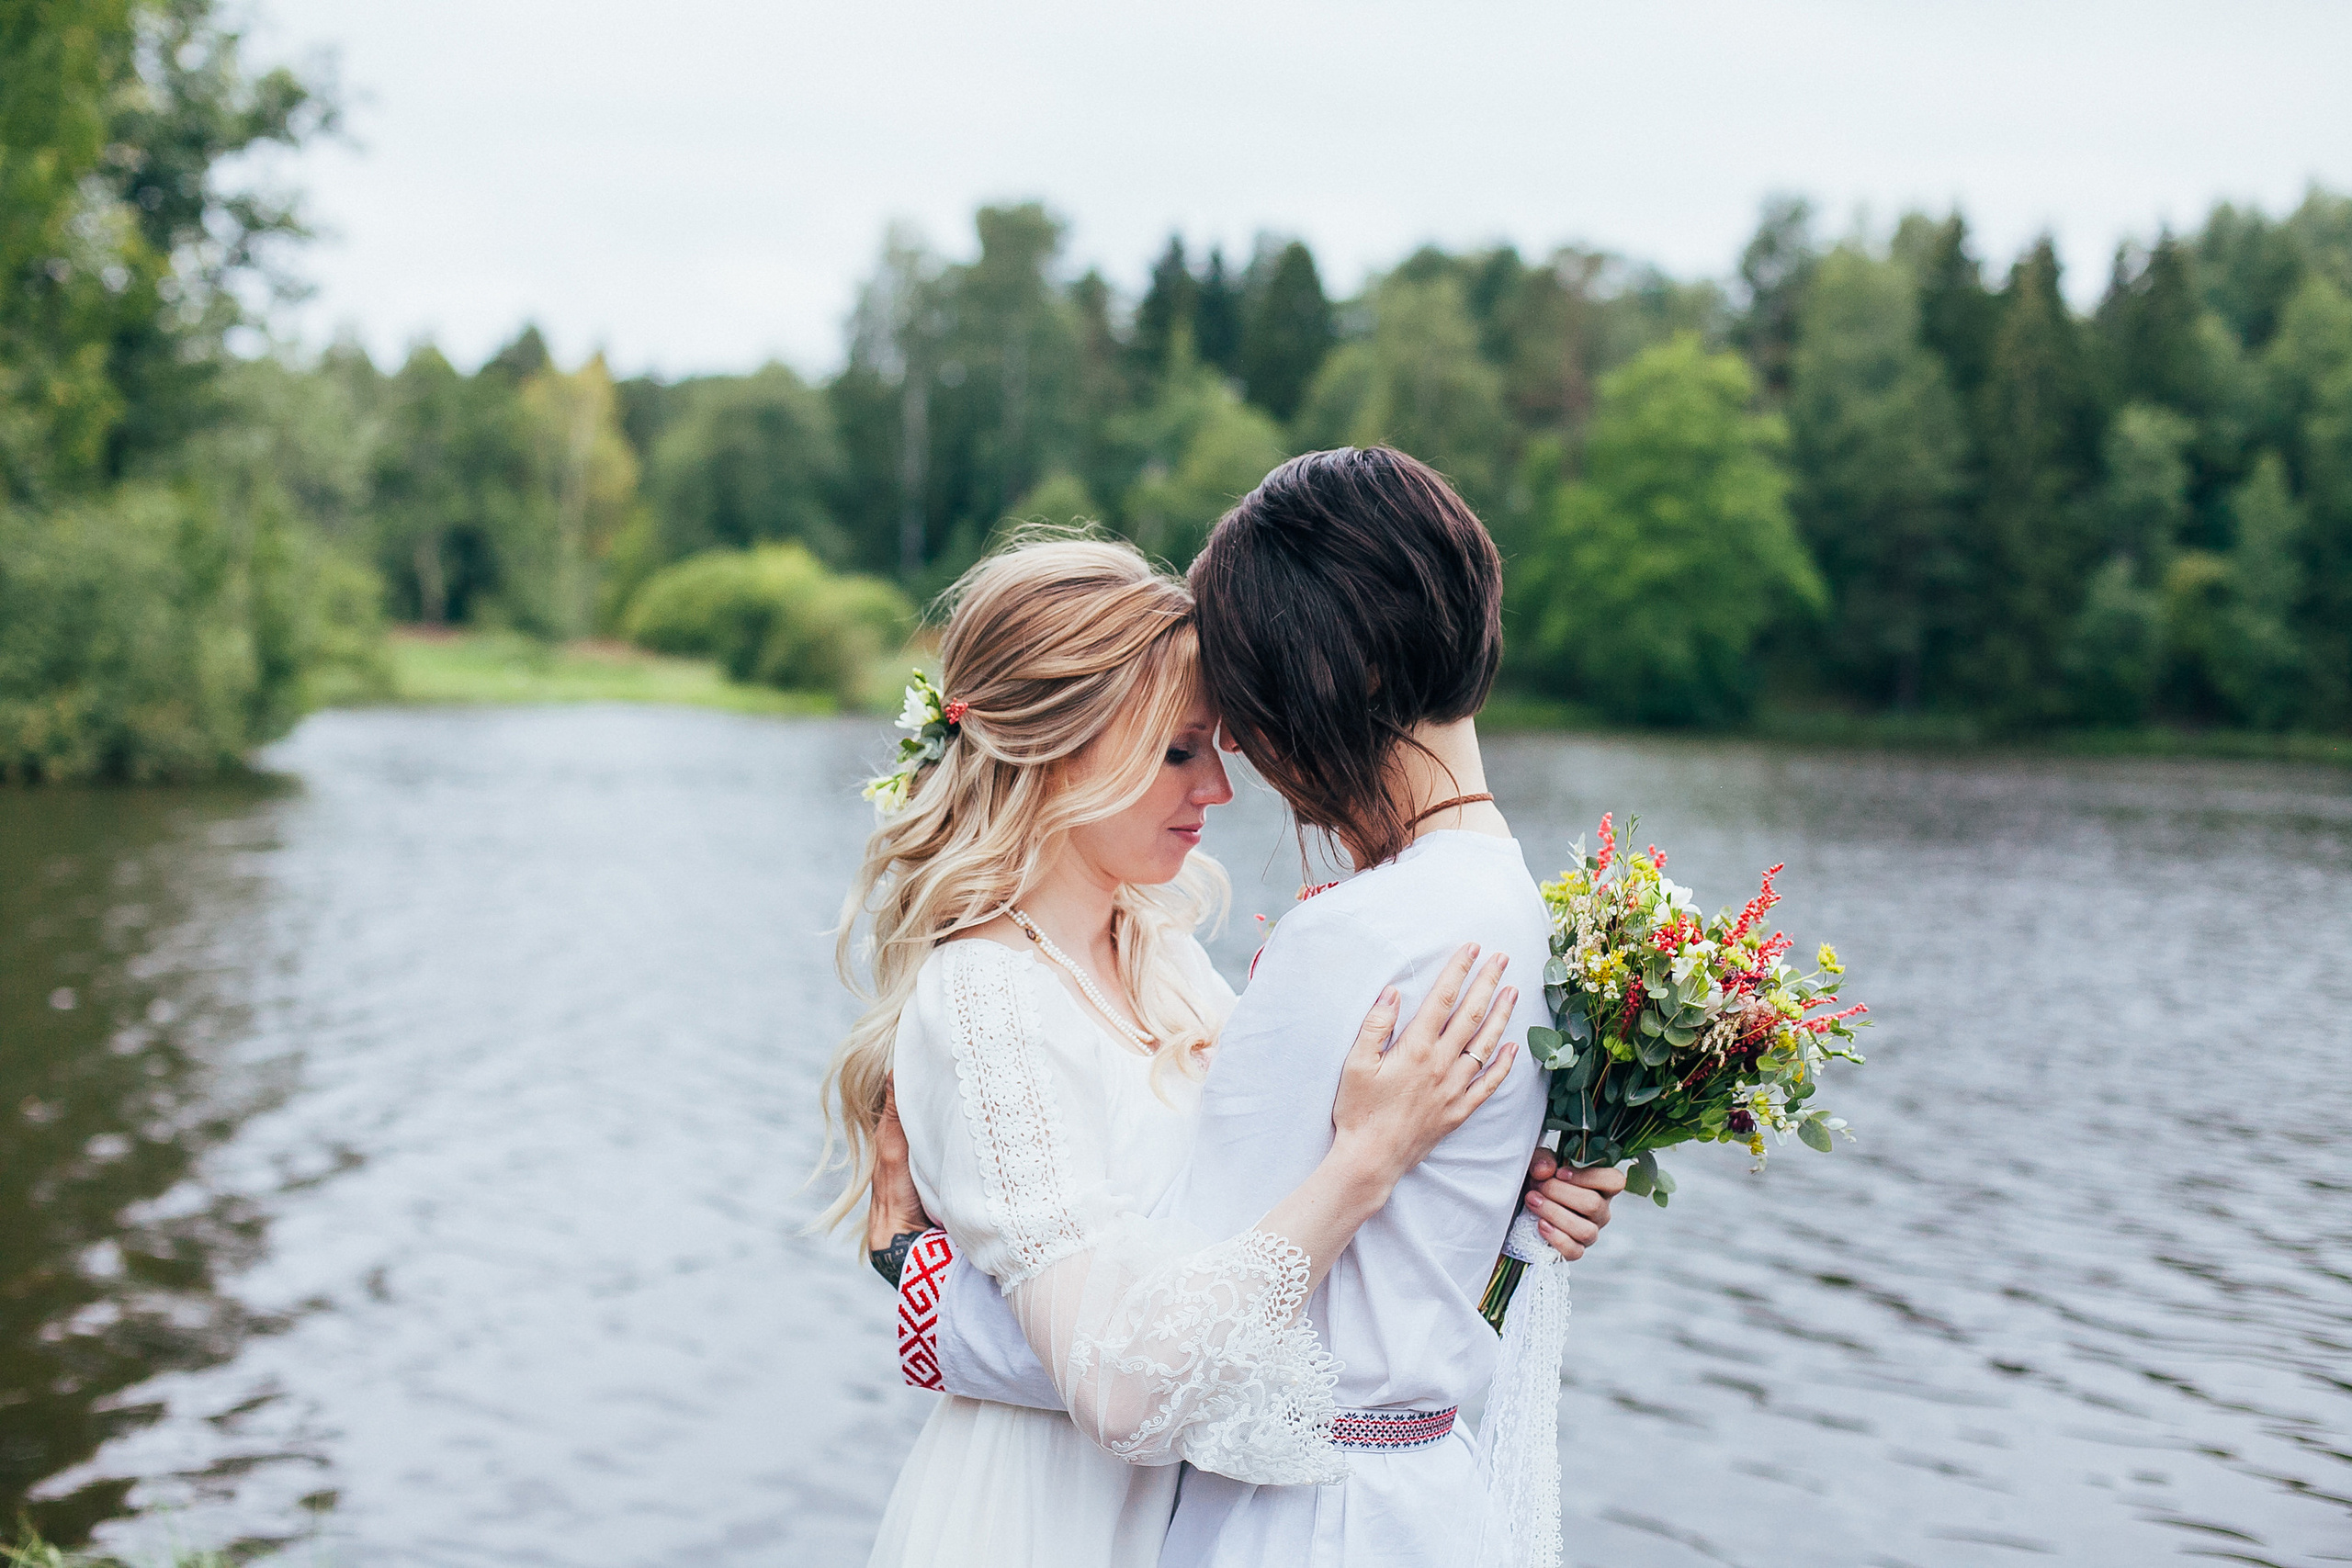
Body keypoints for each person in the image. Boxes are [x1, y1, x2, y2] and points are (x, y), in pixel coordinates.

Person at [869, 449, 1626, 1567]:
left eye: (1222, 737)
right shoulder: (984, 994)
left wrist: (1503, 1184)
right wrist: (1375, 1160)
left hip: (1197, 1500)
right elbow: (1139, 1352)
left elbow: (1238, 1286)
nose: (1229, 784)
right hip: (1047, 1519)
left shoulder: (1174, 959)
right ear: (1053, 753)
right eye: (1179, 750)